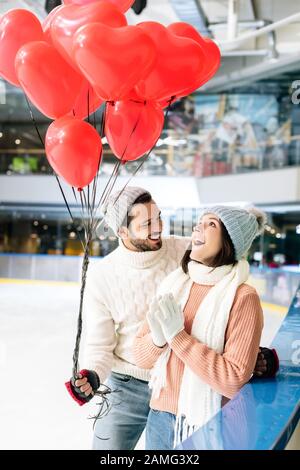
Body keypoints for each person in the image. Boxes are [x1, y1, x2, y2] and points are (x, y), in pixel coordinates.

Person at [67, 188, 278, 450]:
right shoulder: (103, 276)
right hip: (129, 384)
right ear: (122, 232)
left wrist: (250, 355)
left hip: (184, 385)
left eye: (158, 217)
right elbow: (100, 344)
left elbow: (221, 284)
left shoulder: (185, 251)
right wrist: (92, 375)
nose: (158, 228)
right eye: (146, 224)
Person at [134, 206, 270, 450]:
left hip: (209, 424)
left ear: (230, 242)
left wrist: (178, 337)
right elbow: (139, 357)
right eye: (200, 222)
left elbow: (233, 379)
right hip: (159, 419)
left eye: (211, 224)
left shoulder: (243, 298)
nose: (198, 227)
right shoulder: (174, 284)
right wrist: (157, 339)